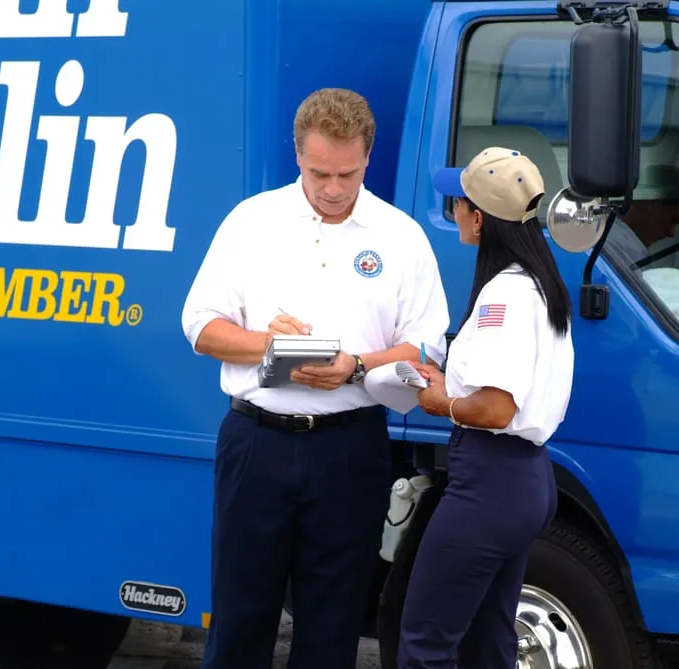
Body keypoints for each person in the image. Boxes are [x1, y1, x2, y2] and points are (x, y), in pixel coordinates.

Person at [180, 87, 449, 669]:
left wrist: (357, 365)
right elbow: (200, 327)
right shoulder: (252, 222)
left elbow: (428, 345)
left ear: (368, 157)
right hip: (257, 442)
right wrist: (269, 344)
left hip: (350, 448)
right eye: (319, 172)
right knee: (239, 619)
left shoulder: (401, 236)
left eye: (347, 174)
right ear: (297, 155)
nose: (332, 188)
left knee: (333, 625)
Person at [396, 146, 574, 669]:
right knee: (486, 641)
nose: (453, 210)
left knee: (425, 642)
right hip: (526, 479)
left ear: (478, 218)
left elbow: (496, 409)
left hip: (490, 482)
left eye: (458, 201)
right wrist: (451, 381)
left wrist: (442, 401)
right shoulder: (540, 283)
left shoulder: (504, 296)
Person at [604, 163, 679, 267]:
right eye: (673, 220)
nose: (671, 233)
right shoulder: (616, 250)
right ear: (652, 202)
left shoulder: (605, 238)